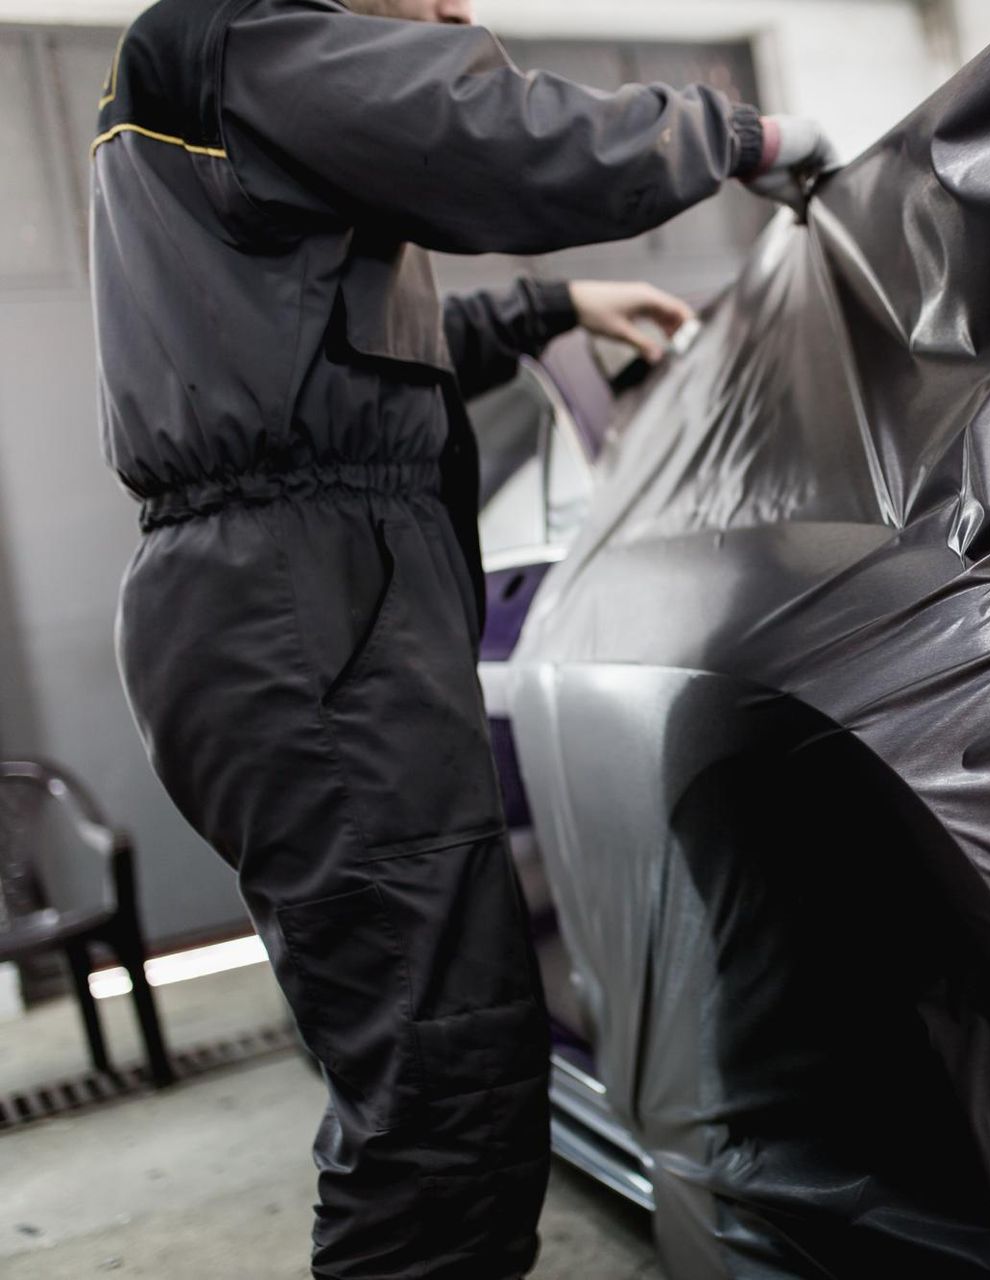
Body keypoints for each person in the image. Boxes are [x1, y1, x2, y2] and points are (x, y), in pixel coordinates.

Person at [88, 0, 832, 1274]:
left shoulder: (225, 95)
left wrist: (551, 306)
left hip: (291, 596)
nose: (456, 12)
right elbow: (497, 137)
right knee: (442, 1107)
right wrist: (748, 133)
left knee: (449, 1084)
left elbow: (342, 347)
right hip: (301, 607)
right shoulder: (249, 30)